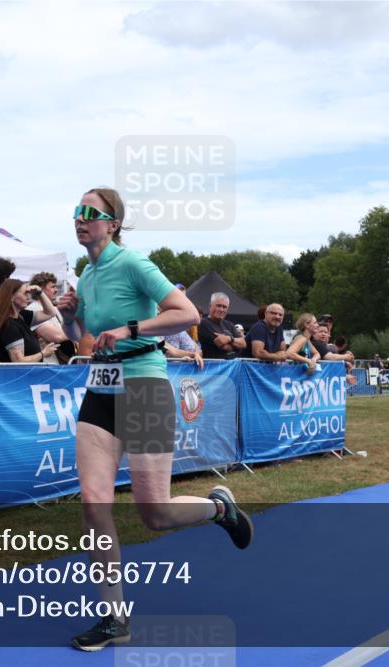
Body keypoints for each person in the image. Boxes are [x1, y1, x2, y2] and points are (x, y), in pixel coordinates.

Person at [63, 187, 252, 651]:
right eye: (77, 212)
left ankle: (219, 508)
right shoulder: (86, 275)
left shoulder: (133, 264)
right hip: (101, 389)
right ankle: (114, 617)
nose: (80, 219)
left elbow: (186, 312)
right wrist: (69, 320)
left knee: (155, 513)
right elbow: (85, 340)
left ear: (114, 223)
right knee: (93, 503)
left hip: (145, 387)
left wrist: (130, 329)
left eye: (91, 213)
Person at [0, 279, 60, 363]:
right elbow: (18, 361)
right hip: (20, 375)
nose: (28, 297)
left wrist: (40, 293)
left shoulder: (21, 316)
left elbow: (51, 313)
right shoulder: (10, 326)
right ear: (12, 297)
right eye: (25, 293)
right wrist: (43, 353)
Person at [198, 293, 246, 359]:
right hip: (213, 367)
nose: (221, 310)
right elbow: (223, 345)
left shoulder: (229, 324)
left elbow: (243, 343)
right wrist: (236, 346)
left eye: (224, 307)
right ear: (210, 306)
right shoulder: (204, 323)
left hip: (231, 367)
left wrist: (229, 339)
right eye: (218, 306)